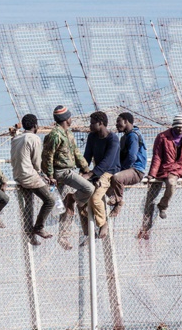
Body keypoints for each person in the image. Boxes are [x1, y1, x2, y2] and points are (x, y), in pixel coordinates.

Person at [41, 105, 94, 250]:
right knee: (89, 188)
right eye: (70, 116)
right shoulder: (55, 135)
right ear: (65, 119)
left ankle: (63, 236)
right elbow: (47, 156)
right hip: (61, 173)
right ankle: (74, 198)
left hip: (68, 172)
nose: (71, 119)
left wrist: (86, 169)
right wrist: (50, 175)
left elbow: (77, 154)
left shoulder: (68, 134)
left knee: (67, 207)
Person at [139, 115, 182, 239]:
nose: (180, 130)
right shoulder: (162, 137)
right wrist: (152, 174)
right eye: (178, 127)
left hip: (175, 170)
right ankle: (146, 226)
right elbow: (157, 156)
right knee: (150, 197)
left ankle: (162, 206)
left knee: (171, 184)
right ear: (173, 126)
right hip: (162, 170)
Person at [11, 114, 55, 245]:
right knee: (50, 201)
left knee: (29, 205)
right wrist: (44, 175)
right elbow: (36, 163)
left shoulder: (16, 138)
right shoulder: (34, 138)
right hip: (29, 176)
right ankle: (39, 227)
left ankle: (30, 235)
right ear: (36, 126)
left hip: (17, 175)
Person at [83, 111, 120, 239]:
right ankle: (87, 230)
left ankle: (103, 223)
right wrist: (83, 171)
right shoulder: (92, 137)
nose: (90, 126)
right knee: (80, 199)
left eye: (93, 123)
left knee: (95, 198)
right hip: (96, 171)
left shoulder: (112, 138)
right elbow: (87, 156)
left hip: (109, 172)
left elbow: (108, 162)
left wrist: (91, 174)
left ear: (101, 123)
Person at [107, 112, 147, 218]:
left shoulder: (133, 135)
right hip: (128, 169)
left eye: (118, 121)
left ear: (126, 121)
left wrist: (120, 170)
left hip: (136, 170)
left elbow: (132, 157)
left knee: (117, 177)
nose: (116, 124)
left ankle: (119, 201)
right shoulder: (125, 137)